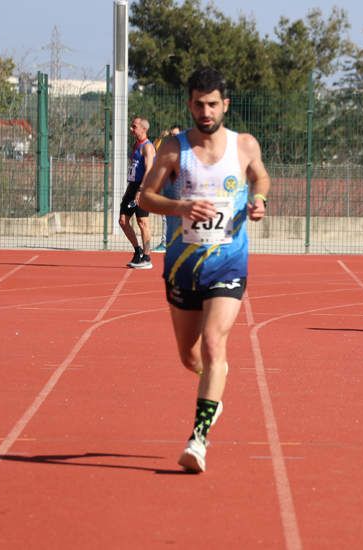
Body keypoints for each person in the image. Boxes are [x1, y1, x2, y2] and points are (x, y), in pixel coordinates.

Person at [139, 67, 269, 473]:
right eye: (198, 103)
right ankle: (213, 387)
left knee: (215, 344)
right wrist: (181, 207)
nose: (206, 110)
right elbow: (146, 197)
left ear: (225, 104)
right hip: (183, 265)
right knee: (189, 355)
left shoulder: (244, 145)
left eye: (213, 103)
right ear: (189, 104)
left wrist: (259, 200)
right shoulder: (174, 150)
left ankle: (198, 439)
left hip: (229, 260)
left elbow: (260, 176)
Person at [120, 116, 157, 269]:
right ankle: (138, 251)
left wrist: (141, 189)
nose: (131, 129)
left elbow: (149, 170)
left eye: (134, 126)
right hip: (132, 186)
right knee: (123, 221)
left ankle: (147, 257)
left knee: (142, 222)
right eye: (131, 126)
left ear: (143, 128)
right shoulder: (136, 144)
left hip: (143, 187)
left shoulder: (147, 147)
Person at [152, 125, 183, 252]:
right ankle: (165, 243)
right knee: (166, 215)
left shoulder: (184, 149)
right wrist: (160, 138)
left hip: (180, 186)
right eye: (171, 135)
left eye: (175, 135)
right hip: (168, 184)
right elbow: (154, 149)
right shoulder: (166, 147)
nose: (173, 137)